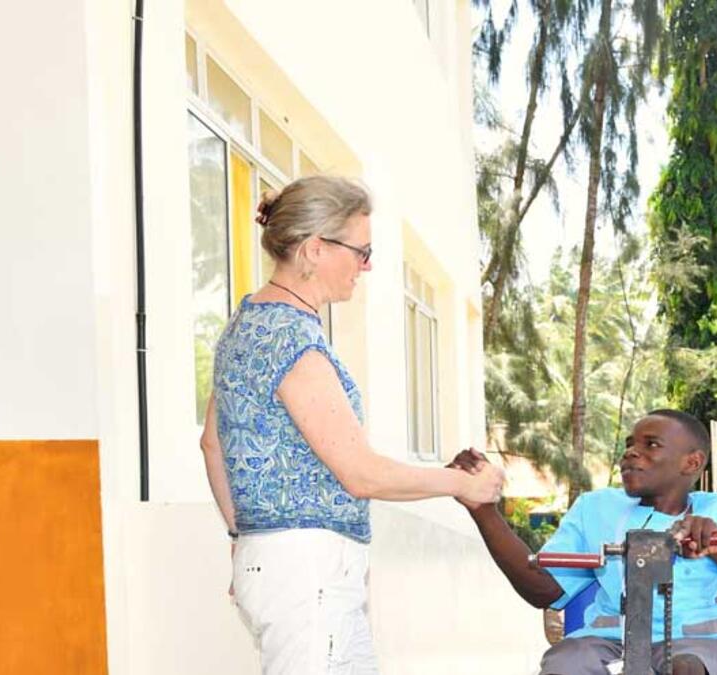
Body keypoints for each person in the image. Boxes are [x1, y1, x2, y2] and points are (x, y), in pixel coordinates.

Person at [199, 175, 504, 675]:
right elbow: (360, 473)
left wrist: (243, 535)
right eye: (361, 251)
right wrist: (463, 485)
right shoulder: (293, 339)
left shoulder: (246, 324)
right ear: (315, 250)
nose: (368, 265)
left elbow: (212, 444)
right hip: (307, 570)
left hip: (283, 565)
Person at [450, 409, 717, 675]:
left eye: (651, 445)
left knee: (687, 669)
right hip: (607, 638)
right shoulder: (596, 508)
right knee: (565, 664)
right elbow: (544, 591)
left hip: (701, 644)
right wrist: (484, 512)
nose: (631, 454)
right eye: (629, 445)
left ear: (691, 462)